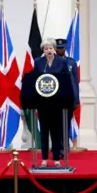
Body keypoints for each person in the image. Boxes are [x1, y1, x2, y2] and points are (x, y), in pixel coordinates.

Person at [33, 37, 72, 167]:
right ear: (43, 50)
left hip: (57, 102)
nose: (48, 51)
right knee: (44, 132)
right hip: (43, 103)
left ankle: (56, 159)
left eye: (50, 48)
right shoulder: (38, 62)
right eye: (46, 49)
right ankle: (44, 159)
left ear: (54, 49)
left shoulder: (62, 62)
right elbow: (35, 81)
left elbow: (67, 81)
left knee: (56, 132)